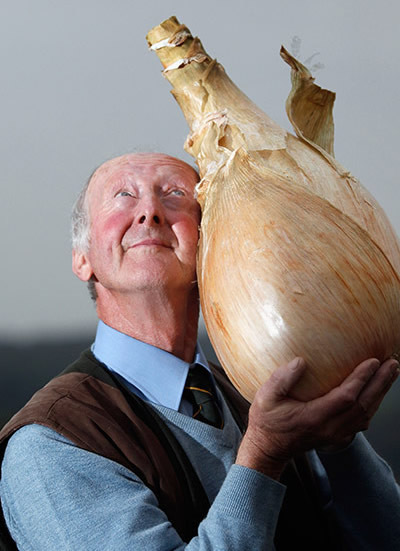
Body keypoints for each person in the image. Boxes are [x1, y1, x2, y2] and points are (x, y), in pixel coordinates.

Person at [0, 152, 399, 550]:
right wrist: (263, 455)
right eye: (123, 195)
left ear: (214, 244)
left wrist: (339, 441)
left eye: (175, 194)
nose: (150, 212)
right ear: (81, 258)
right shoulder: (53, 442)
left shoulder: (261, 391)